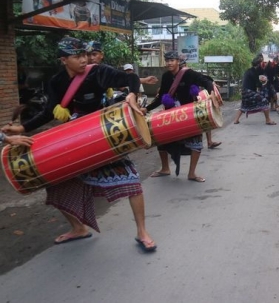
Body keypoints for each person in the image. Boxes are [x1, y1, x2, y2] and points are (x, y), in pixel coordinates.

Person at [1, 37, 157, 251]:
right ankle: (78, 228)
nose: (84, 60)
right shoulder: (56, 82)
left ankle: (142, 231)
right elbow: (49, 112)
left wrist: (131, 94)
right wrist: (22, 128)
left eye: (85, 55)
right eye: (77, 56)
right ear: (64, 60)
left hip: (104, 134)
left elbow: (130, 79)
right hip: (74, 138)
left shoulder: (98, 72)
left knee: (131, 180)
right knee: (55, 184)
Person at [145, 51, 215, 181]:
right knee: (161, 139)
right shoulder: (166, 76)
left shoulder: (189, 74)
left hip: (188, 114)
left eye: (172, 60)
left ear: (178, 61)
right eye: (167, 60)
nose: (169, 63)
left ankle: (192, 173)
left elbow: (206, 81)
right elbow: (161, 97)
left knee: (196, 142)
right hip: (171, 113)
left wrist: (211, 93)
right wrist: (146, 108)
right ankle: (165, 168)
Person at [234, 55, 277, 125]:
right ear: (258, 64)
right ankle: (268, 120)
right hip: (249, 91)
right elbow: (259, 84)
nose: (262, 65)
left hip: (244, 91)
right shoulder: (254, 72)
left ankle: (236, 120)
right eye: (261, 63)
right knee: (265, 101)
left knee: (244, 105)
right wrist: (263, 81)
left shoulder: (249, 70)